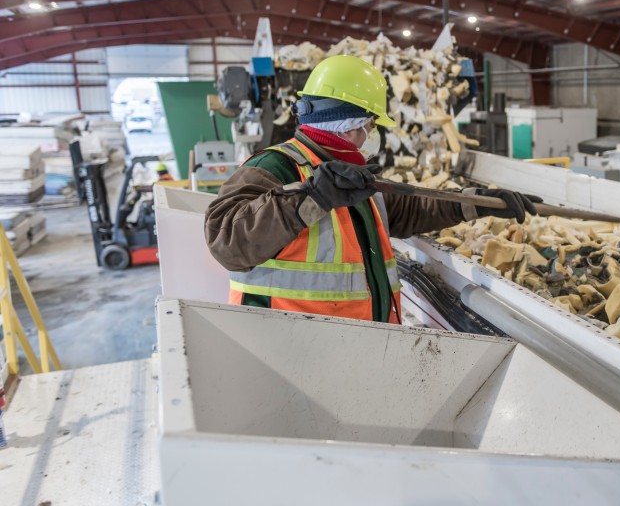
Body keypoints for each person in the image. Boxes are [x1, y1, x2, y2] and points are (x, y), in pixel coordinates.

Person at [205, 55, 540, 323]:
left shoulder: (352, 177)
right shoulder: (273, 168)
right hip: (291, 355)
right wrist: (311, 198)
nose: (373, 134)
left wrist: (480, 204)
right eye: (372, 125)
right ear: (351, 127)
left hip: (357, 351)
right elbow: (226, 242)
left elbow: (410, 208)